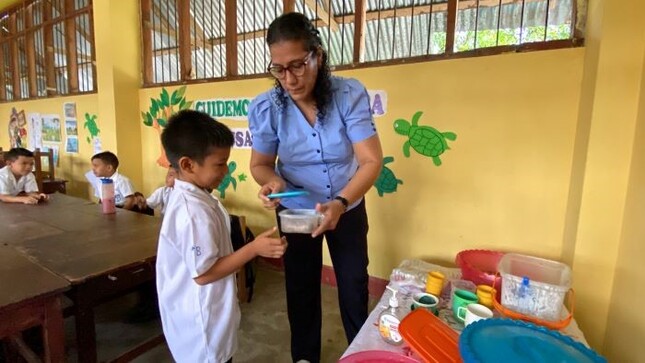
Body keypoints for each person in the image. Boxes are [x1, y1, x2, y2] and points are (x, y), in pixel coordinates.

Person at [248, 12, 383, 363]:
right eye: (278, 69)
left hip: (347, 205)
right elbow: (260, 165)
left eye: (298, 65)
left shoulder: (348, 94)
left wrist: (339, 202)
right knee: (301, 287)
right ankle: (304, 357)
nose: (289, 79)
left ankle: (360, 353)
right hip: (295, 207)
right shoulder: (266, 106)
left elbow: (370, 162)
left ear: (317, 57)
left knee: (354, 285)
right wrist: (272, 181)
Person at [157, 109, 288, 363]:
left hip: (207, 317)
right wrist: (253, 249)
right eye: (219, 164)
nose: (225, 170)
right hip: (200, 327)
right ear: (187, 164)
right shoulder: (192, 212)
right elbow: (204, 274)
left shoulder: (198, 195)